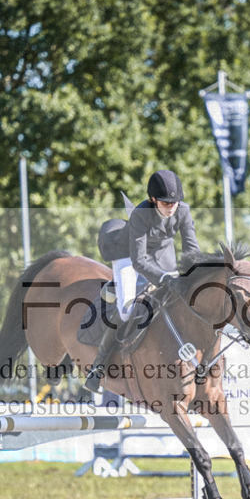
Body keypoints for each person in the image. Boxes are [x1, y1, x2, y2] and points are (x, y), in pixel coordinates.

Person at [85, 169, 201, 394]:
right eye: (166, 203)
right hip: (128, 255)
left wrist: (195, 277)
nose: (172, 208)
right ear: (153, 199)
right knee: (128, 309)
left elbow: (192, 251)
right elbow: (139, 261)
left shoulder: (183, 211)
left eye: (175, 203)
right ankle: (98, 367)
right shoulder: (140, 213)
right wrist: (165, 278)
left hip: (161, 253)